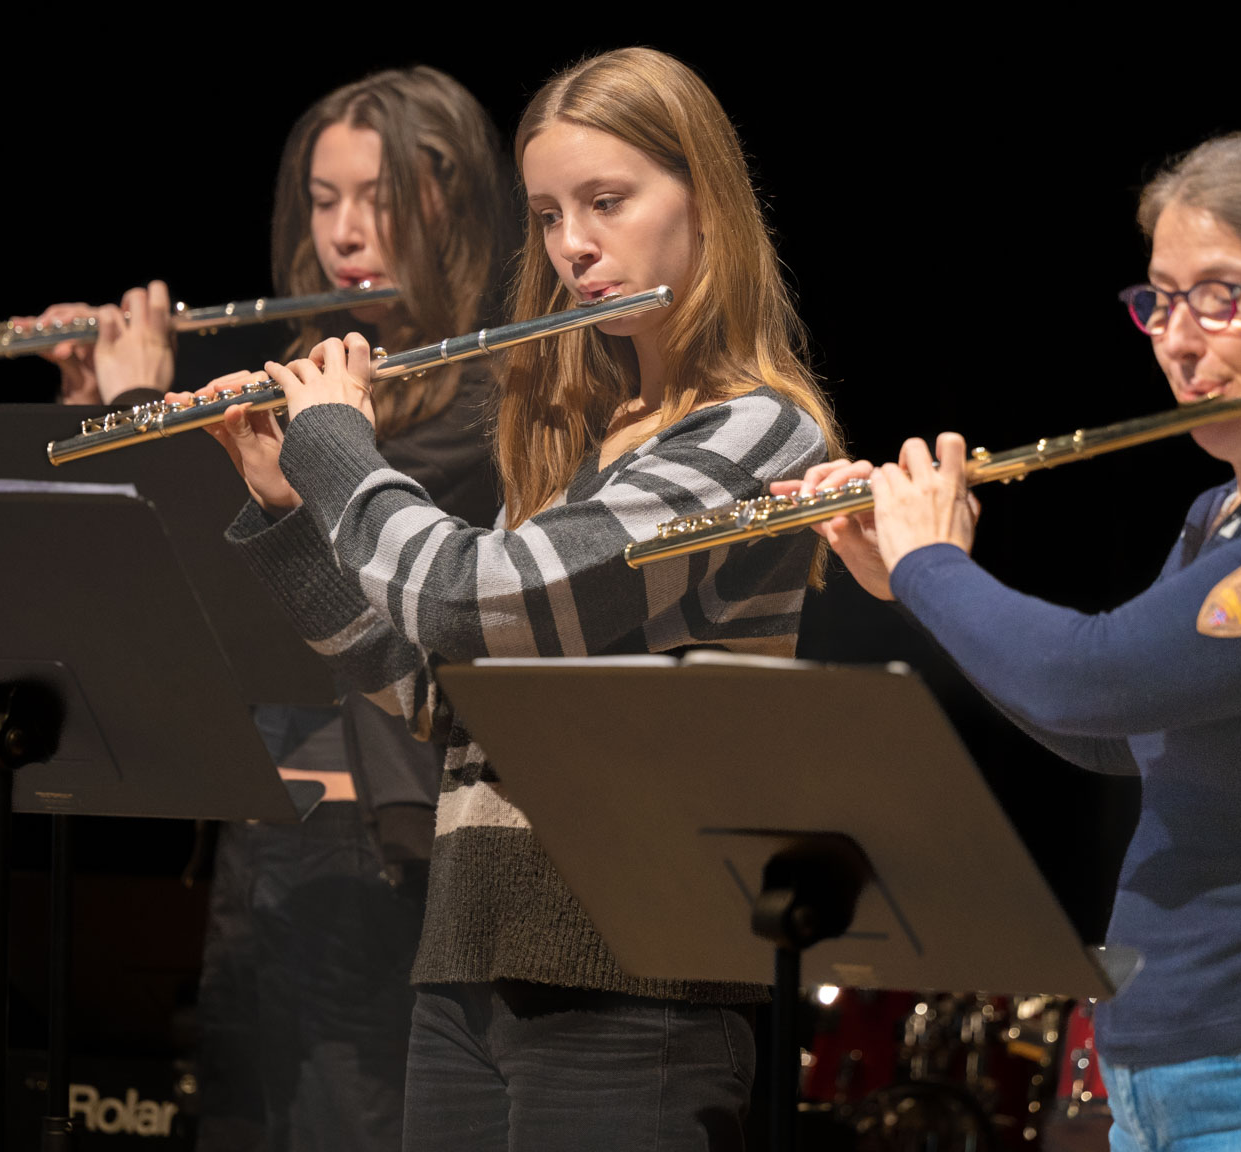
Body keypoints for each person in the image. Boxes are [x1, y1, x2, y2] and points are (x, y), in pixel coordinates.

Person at [789, 130, 1241, 1150]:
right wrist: (913, 586)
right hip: (1186, 1083)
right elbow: (1110, 736)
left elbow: (1092, 680)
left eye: (1220, 297)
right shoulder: (1222, 517)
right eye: (1159, 301)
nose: (1177, 340)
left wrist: (930, 565)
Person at [174, 47, 841, 1151]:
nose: (573, 246)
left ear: (705, 202)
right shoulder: (591, 441)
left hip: (634, 973)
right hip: (474, 950)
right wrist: (291, 513)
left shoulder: (756, 433)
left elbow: (478, 604)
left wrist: (338, 443)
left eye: (606, 202)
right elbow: (447, 697)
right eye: (546, 215)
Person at [32, 67, 514, 1152]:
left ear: (454, 197)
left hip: (385, 848)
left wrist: (136, 413)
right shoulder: (309, 374)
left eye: (378, 197)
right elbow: (188, 586)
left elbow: (324, 533)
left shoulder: (494, 394)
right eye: (323, 197)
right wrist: (93, 406)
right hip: (272, 831)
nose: (346, 231)